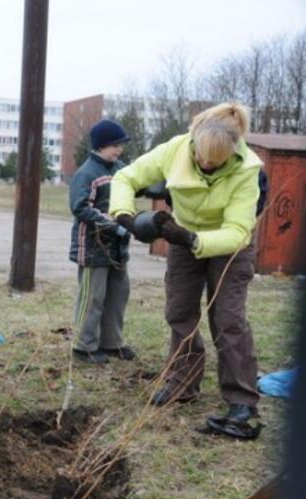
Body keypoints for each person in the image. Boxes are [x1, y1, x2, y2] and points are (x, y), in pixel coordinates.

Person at [110, 102, 263, 430]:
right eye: (200, 157)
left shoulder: (248, 169)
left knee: (228, 319)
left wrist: (193, 240)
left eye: (215, 162)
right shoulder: (175, 149)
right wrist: (125, 215)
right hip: (183, 239)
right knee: (179, 311)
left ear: (233, 153)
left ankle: (241, 400)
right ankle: (183, 383)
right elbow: (125, 177)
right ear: (193, 139)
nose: (205, 164)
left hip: (229, 247)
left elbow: (237, 232)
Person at [68, 119, 135, 365]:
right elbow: (80, 207)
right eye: (114, 145)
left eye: (121, 145)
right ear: (100, 146)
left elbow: (131, 191)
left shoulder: (120, 169)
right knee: (93, 297)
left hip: (118, 247)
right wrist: (112, 224)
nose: (119, 150)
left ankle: (112, 342)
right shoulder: (86, 173)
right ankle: (84, 346)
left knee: (118, 294)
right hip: (94, 247)